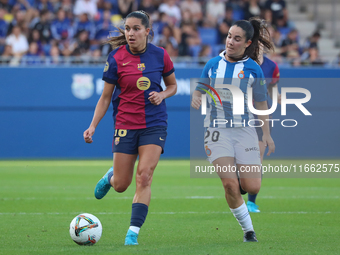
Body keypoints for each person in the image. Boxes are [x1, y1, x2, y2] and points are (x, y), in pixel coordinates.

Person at [83, 10, 177, 246]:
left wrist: (163, 94)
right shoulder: (116, 58)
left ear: (148, 31)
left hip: (154, 125)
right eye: (127, 29)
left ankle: (132, 232)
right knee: (122, 185)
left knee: (144, 176)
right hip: (125, 125)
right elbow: (105, 98)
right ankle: (111, 177)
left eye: (136, 28)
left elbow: (173, 85)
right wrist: (93, 125)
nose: (131, 33)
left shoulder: (160, 55)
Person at [191, 17, 275, 242]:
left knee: (251, 186)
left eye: (237, 39)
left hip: (244, 131)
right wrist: (197, 97)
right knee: (229, 183)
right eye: (229, 36)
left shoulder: (253, 69)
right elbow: (200, 87)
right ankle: (249, 231)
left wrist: (266, 134)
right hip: (216, 130)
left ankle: (239, 180)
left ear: (247, 43)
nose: (230, 41)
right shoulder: (212, 64)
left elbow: (261, 103)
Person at [247, 39, 281, 213]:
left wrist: (277, 97)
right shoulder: (243, 63)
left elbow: (272, 88)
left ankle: (251, 201)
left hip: (261, 115)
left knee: (257, 157)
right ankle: (241, 187)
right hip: (241, 115)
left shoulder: (272, 66)